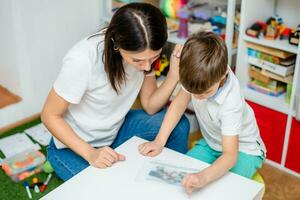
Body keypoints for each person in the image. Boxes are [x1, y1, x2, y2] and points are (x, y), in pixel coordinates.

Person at [41, 3, 189, 181]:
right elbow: (49, 115)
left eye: (154, 58)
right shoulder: (82, 59)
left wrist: (173, 76)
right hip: (72, 148)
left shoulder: (144, 54)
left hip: (115, 132)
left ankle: (168, 179)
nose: (148, 66)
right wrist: (91, 154)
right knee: (109, 188)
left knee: (179, 125)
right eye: (138, 60)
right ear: (117, 45)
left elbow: (150, 105)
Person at [139, 31, 266, 196]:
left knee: (223, 191)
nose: (197, 96)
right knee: (181, 177)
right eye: (193, 91)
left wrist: (203, 177)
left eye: (204, 93)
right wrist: (159, 140)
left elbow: (230, 156)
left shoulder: (230, 104)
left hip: (244, 150)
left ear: (223, 76)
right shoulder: (196, 71)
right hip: (212, 143)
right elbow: (179, 103)